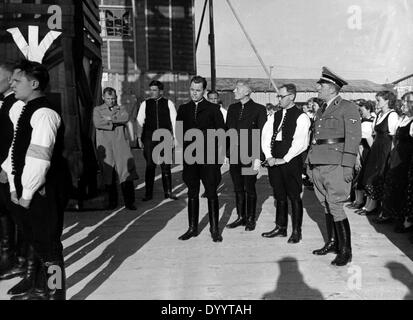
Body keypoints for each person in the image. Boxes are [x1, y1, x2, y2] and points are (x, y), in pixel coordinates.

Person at [3, 60, 71, 299]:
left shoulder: (43, 113)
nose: (12, 84)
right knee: (42, 245)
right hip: (30, 189)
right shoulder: (25, 110)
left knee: (50, 247)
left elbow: (38, 158)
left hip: (45, 190)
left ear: (34, 83)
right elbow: (15, 152)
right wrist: (14, 185)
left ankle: (55, 294)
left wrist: (26, 194)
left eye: (17, 80)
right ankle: (42, 290)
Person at [307, 67, 361, 266]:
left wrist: (348, 165)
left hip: (336, 164)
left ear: (331, 88)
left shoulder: (347, 107)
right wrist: (309, 164)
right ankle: (332, 243)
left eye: (320, 85)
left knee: (336, 206)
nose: (317, 87)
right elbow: (315, 138)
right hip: (318, 164)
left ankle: (346, 251)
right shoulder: (322, 108)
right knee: (326, 206)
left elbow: (353, 138)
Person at [176, 76, 226, 242]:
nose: (194, 93)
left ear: (204, 91)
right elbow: (179, 132)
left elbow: (222, 133)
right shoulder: (183, 109)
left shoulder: (213, 109)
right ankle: (192, 228)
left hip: (209, 158)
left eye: (198, 90)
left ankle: (214, 229)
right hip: (190, 158)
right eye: (192, 90)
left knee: (211, 192)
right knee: (192, 192)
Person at [261, 84, 311, 243]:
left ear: (291, 97)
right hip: (274, 159)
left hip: (290, 160)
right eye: (278, 96)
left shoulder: (301, 117)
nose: (279, 99)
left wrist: (285, 158)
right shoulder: (274, 116)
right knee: (279, 194)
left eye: (281, 96)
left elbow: (301, 143)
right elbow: (266, 136)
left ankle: (296, 231)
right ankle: (280, 227)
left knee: (294, 196)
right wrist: (269, 156)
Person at [225, 80, 267, 231]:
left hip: (250, 155)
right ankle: (241, 217)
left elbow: (262, 134)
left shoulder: (259, 109)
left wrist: (259, 157)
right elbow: (227, 132)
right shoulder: (232, 108)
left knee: (249, 187)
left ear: (247, 92)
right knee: (237, 188)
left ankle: (250, 219)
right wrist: (226, 152)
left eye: (237, 89)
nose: (234, 91)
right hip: (234, 154)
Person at [93, 87, 138, 210]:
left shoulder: (121, 108)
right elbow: (97, 123)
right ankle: (112, 202)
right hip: (106, 145)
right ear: (103, 97)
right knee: (109, 174)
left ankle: (130, 202)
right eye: (108, 98)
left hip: (121, 144)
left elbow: (125, 117)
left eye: (113, 98)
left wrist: (109, 119)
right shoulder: (97, 110)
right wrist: (116, 121)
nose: (111, 101)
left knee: (126, 173)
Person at [0, 62, 25, 280]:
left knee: (15, 215)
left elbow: (16, 141)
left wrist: (6, 168)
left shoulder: (15, 105)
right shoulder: (6, 103)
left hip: (9, 170)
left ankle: (19, 262)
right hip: (4, 169)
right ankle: (9, 257)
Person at [358, 91, 399, 217]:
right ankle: (369, 203)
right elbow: (373, 134)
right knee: (370, 174)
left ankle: (374, 205)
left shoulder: (392, 115)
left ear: (387, 101)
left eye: (379, 100)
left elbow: (393, 137)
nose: (377, 102)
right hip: (376, 147)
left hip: (385, 148)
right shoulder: (379, 115)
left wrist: (391, 155)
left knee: (378, 174)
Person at [137, 80, 178, 201]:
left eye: (155, 90)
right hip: (149, 137)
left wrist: (175, 138)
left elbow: (174, 121)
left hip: (165, 137)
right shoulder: (145, 104)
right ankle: (148, 194)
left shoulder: (168, 103)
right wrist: (139, 137)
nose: (152, 92)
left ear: (161, 91)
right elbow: (139, 121)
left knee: (166, 165)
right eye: (151, 90)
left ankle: (168, 192)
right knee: (150, 165)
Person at [381, 92, 413, 230]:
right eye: (404, 101)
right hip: (398, 156)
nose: (403, 104)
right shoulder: (403, 119)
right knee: (395, 185)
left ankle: (407, 220)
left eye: (408, 101)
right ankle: (395, 215)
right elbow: (395, 139)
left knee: (405, 186)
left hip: (407, 157)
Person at [346, 100, 375, 209]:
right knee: (359, 176)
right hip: (361, 150)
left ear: (368, 109)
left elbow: (367, 140)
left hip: (365, 151)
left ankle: (361, 202)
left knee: (362, 176)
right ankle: (358, 200)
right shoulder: (362, 121)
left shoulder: (368, 122)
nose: (360, 112)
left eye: (361, 110)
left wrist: (360, 156)